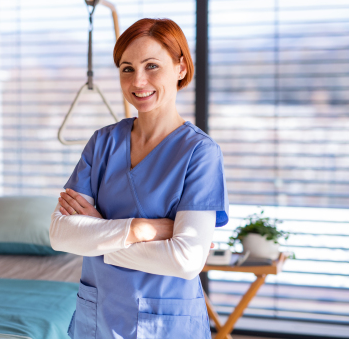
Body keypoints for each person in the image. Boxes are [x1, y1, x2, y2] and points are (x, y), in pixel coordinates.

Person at [49, 18, 229, 339]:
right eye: (127, 68)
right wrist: (142, 229)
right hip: (97, 317)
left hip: (165, 324)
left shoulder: (200, 153)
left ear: (181, 68)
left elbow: (186, 260)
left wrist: (97, 236)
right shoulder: (103, 143)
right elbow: (61, 235)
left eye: (152, 66)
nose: (138, 80)